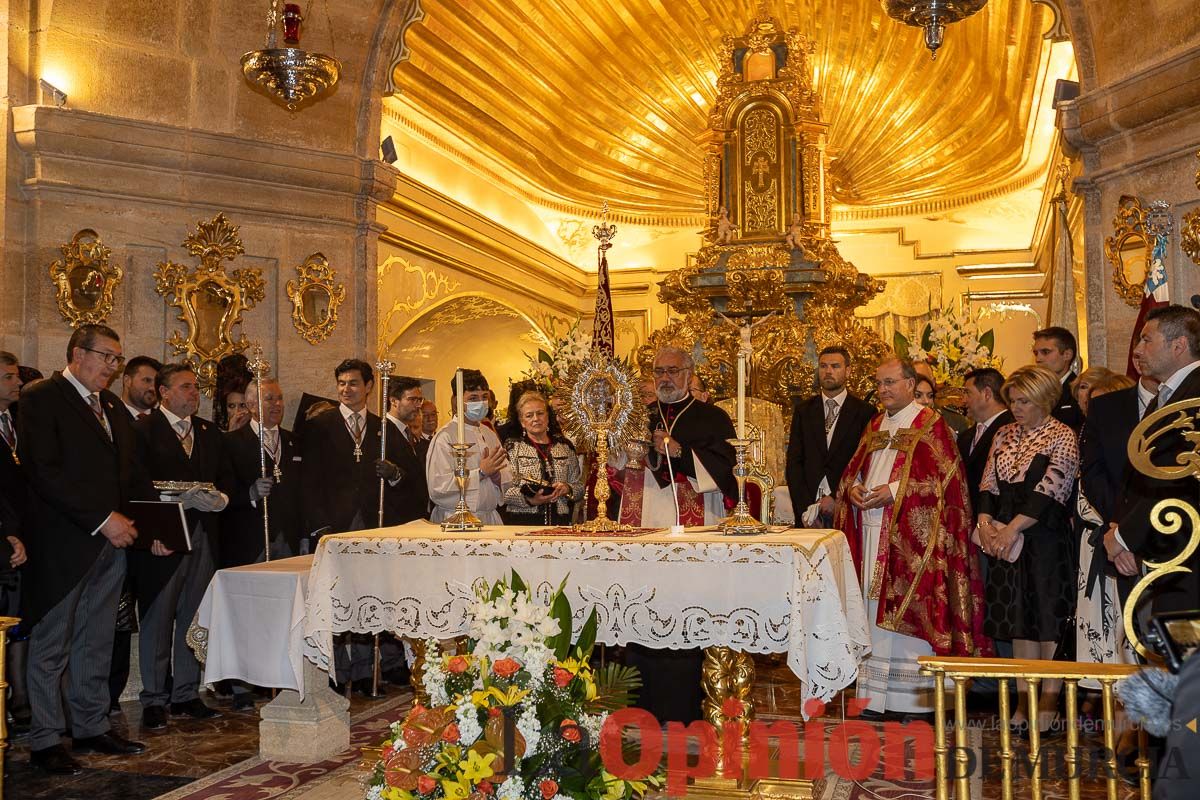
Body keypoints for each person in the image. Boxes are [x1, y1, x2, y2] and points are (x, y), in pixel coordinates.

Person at [18, 324, 151, 774]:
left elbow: (125, 475)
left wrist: (149, 527)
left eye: (118, 359)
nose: (113, 368)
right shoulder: (41, 397)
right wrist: (101, 519)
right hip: (63, 543)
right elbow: (44, 471)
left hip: (111, 544)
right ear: (78, 352)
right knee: (52, 644)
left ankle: (91, 725)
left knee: (96, 640)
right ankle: (45, 739)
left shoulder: (110, 405)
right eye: (107, 357)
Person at [832, 357, 988, 719]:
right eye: (879, 383)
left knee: (907, 613)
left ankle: (912, 701)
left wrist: (892, 491)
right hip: (871, 531)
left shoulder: (929, 424)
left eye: (889, 383)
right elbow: (854, 470)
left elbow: (946, 485)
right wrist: (852, 489)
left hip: (912, 541)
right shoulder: (874, 424)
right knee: (872, 611)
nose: (883, 390)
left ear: (908, 383)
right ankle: (874, 696)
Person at [977, 365, 1079, 736]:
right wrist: (986, 524)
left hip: (1045, 540)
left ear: (1044, 399)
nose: (1016, 407)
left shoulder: (1062, 435)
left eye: (1024, 401)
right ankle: (1023, 702)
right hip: (1005, 535)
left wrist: (1012, 530)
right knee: (1019, 622)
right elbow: (988, 482)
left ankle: (1048, 707)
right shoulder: (1003, 433)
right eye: (1013, 400)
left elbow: (1051, 491)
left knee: (1048, 623)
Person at [130, 363, 230, 730]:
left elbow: (224, 479)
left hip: (204, 535)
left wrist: (220, 499)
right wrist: (154, 531)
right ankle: (154, 698)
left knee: (194, 615)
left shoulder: (208, 432)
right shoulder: (142, 430)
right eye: (186, 387)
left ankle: (186, 693)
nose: (194, 393)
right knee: (158, 618)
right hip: (164, 540)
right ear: (164, 392)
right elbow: (135, 487)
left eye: (196, 388)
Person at [1105, 305, 1200, 614]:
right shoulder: (1168, 393)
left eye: (1147, 340)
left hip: (1187, 550)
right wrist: (1123, 527)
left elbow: (1179, 473)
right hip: (1163, 545)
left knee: (1184, 650)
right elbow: (1139, 469)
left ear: (1179, 345)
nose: (1137, 350)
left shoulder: (1195, 393)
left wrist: (1125, 535)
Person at [1075, 373, 1138, 677]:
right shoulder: (1088, 438)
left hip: (1129, 536)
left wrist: (1121, 532)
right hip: (1102, 542)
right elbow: (1091, 481)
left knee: (1129, 627)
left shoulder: (1133, 440)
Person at [784, 346, 873, 529]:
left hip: (846, 509)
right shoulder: (804, 410)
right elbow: (794, 463)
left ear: (847, 370)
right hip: (807, 510)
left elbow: (864, 463)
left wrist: (837, 499)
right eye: (823, 366)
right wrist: (805, 511)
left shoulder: (865, 412)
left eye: (835, 366)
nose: (828, 371)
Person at [222, 377, 302, 567]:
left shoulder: (294, 441)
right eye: (269, 398)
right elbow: (222, 492)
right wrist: (250, 494)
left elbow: (303, 493)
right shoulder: (230, 443)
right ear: (251, 405)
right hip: (249, 543)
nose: (277, 404)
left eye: (280, 398)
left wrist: (305, 537)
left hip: (289, 541)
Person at [426, 369, 512, 525]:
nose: (480, 403)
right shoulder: (445, 437)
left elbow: (507, 479)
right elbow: (438, 488)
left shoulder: (490, 434)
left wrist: (497, 477)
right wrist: (480, 473)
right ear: (457, 401)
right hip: (455, 520)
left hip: (489, 518)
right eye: (473, 398)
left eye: (484, 397)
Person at [0, 351, 30, 733]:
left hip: (25, 540)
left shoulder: (19, 422)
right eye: (8, 377)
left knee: (22, 622)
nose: (17, 383)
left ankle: (21, 699)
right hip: (2, 539)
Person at [502, 391, 583, 526]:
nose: (535, 419)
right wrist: (531, 500)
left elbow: (579, 487)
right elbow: (504, 492)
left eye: (540, 413)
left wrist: (567, 488)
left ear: (547, 416)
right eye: (529, 415)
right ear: (522, 422)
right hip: (523, 524)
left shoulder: (565, 447)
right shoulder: (512, 448)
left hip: (560, 523)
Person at [957, 368, 1013, 512]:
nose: (963, 400)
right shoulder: (965, 437)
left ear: (987, 394)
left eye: (967, 393)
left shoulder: (1012, 429)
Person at [381, 376, 431, 525]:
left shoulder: (407, 432)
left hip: (414, 517)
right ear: (394, 401)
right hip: (395, 518)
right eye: (412, 400)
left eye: (419, 400)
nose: (418, 405)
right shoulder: (383, 430)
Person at [1032, 326, 1083, 430]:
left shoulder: (1079, 390)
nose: (1038, 359)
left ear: (1067, 355)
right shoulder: (1033, 390)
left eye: (1045, 352)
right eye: (1036, 353)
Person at [912, 360, 968, 433]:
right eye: (915, 380)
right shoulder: (897, 417)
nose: (920, 384)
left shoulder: (955, 420)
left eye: (924, 379)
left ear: (933, 382)